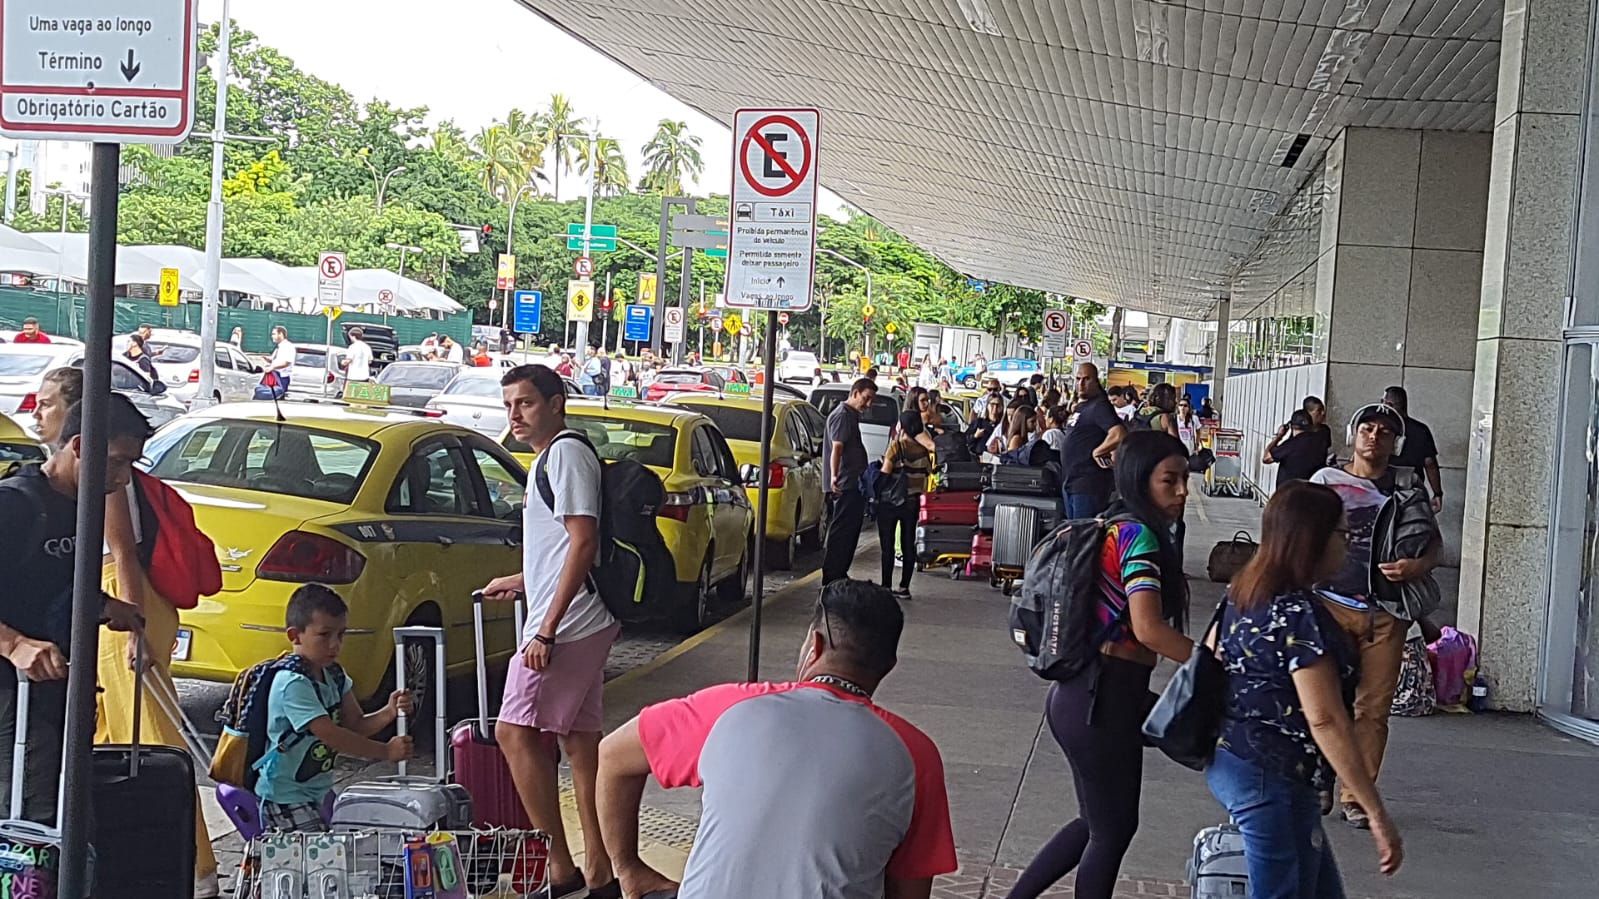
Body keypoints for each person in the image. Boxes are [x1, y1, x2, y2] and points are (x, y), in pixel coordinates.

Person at [595, 579, 957, 899]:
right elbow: (909, 891)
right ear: (888, 666)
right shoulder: (915, 754)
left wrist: (627, 868)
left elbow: (611, 756)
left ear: (814, 646)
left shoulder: (730, 708)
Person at [1007, 431, 1197, 899]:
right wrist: (1214, 663)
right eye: (1169, 481)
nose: (1182, 492)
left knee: (1096, 823)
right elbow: (1149, 629)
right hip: (1103, 701)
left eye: (1185, 480)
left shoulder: (1115, 524)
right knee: (1111, 832)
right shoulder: (1139, 536)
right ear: (1139, 479)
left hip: (1085, 697)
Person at [1209, 482, 1403, 898]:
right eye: (1342, 534)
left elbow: (1210, 661)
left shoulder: (1242, 593)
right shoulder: (1298, 614)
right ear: (1311, 539)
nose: (1348, 546)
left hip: (1245, 762)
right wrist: (1375, 811)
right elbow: (1325, 718)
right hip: (1267, 774)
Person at [480, 364, 621, 898]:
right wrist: (522, 580)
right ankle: (603, 868)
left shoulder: (564, 454)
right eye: (510, 404)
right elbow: (562, 548)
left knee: (513, 731)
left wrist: (545, 629)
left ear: (556, 403)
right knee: (580, 743)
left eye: (527, 403)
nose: (515, 414)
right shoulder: (552, 457)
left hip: (569, 625)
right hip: (580, 618)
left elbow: (583, 542)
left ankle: (560, 866)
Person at [0, 396, 148, 823]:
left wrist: (103, 606)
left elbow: (44, 586)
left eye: (130, 466)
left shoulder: (83, 508)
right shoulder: (15, 504)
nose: (122, 479)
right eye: (117, 463)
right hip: (12, 701)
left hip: (57, 698)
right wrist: (14, 645)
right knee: (25, 822)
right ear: (80, 445)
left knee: (61, 813)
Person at [1310, 404, 1441, 830]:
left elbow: (1434, 547)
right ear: (1353, 435)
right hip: (1328, 604)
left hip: (1386, 611)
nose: (1374, 436)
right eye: (1367, 428)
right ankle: (1319, 775)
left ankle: (1357, 795)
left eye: (1385, 432)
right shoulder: (1325, 482)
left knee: (1373, 708)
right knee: (1321, 699)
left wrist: (1417, 568)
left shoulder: (1406, 489)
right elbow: (1296, 534)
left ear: (1395, 443)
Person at [254, 585, 412, 832]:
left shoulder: (334, 675)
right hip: (284, 795)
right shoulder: (292, 683)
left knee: (324, 857)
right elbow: (332, 735)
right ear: (295, 635)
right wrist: (385, 751)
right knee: (313, 860)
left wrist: (388, 712)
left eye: (341, 635)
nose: (334, 645)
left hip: (318, 790)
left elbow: (355, 724)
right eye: (324, 634)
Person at [822, 378, 877, 584]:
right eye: (866, 398)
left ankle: (839, 573)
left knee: (850, 531)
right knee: (841, 532)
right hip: (845, 484)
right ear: (855, 393)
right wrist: (834, 476)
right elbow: (837, 447)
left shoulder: (851, 416)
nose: (868, 404)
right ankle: (832, 576)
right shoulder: (843, 416)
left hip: (853, 483)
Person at [878, 411, 934, 599]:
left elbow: (885, 473)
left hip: (891, 502)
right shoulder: (924, 451)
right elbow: (927, 473)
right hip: (912, 502)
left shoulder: (897, 447)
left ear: (901, 427)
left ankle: (886, 585)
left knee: (888, 546)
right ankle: (904, 587)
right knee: (908, 543)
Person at [1058, 363, 1126, 518]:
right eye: (1078, 379)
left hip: (1088, 484)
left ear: (1096, 381)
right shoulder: (1082, 406)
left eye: (1086, 379)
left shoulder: (1100, 406)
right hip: (1071, 481)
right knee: (1075, 533)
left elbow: (1118, 433)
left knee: (1085, 533)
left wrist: (1099, 451)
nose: (1081, 383)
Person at [1382, 386, 1444, 514]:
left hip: (1382, 488)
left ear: (1388, 404)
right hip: (1412, 490)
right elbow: (1430, 463)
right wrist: (1437, 493)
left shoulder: (1380, 429)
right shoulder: (1421, 430)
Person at [1263, 410, 1327, 489]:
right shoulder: (1320, 442)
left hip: (1289, 494)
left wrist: (1279, 436)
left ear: (1291, 426)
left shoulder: (1290, 445)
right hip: (1312, 492)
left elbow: (1266, 458)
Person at [266, 325, 296, 394]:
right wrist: (270, 360)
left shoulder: (288, 346)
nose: (272, 336)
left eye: (274, 334)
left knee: (278, 397)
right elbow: (278, 360)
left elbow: (286, 363)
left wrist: (272, 367)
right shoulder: (279, 347)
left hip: (282, 377)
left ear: (281, 334)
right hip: (276, 375)